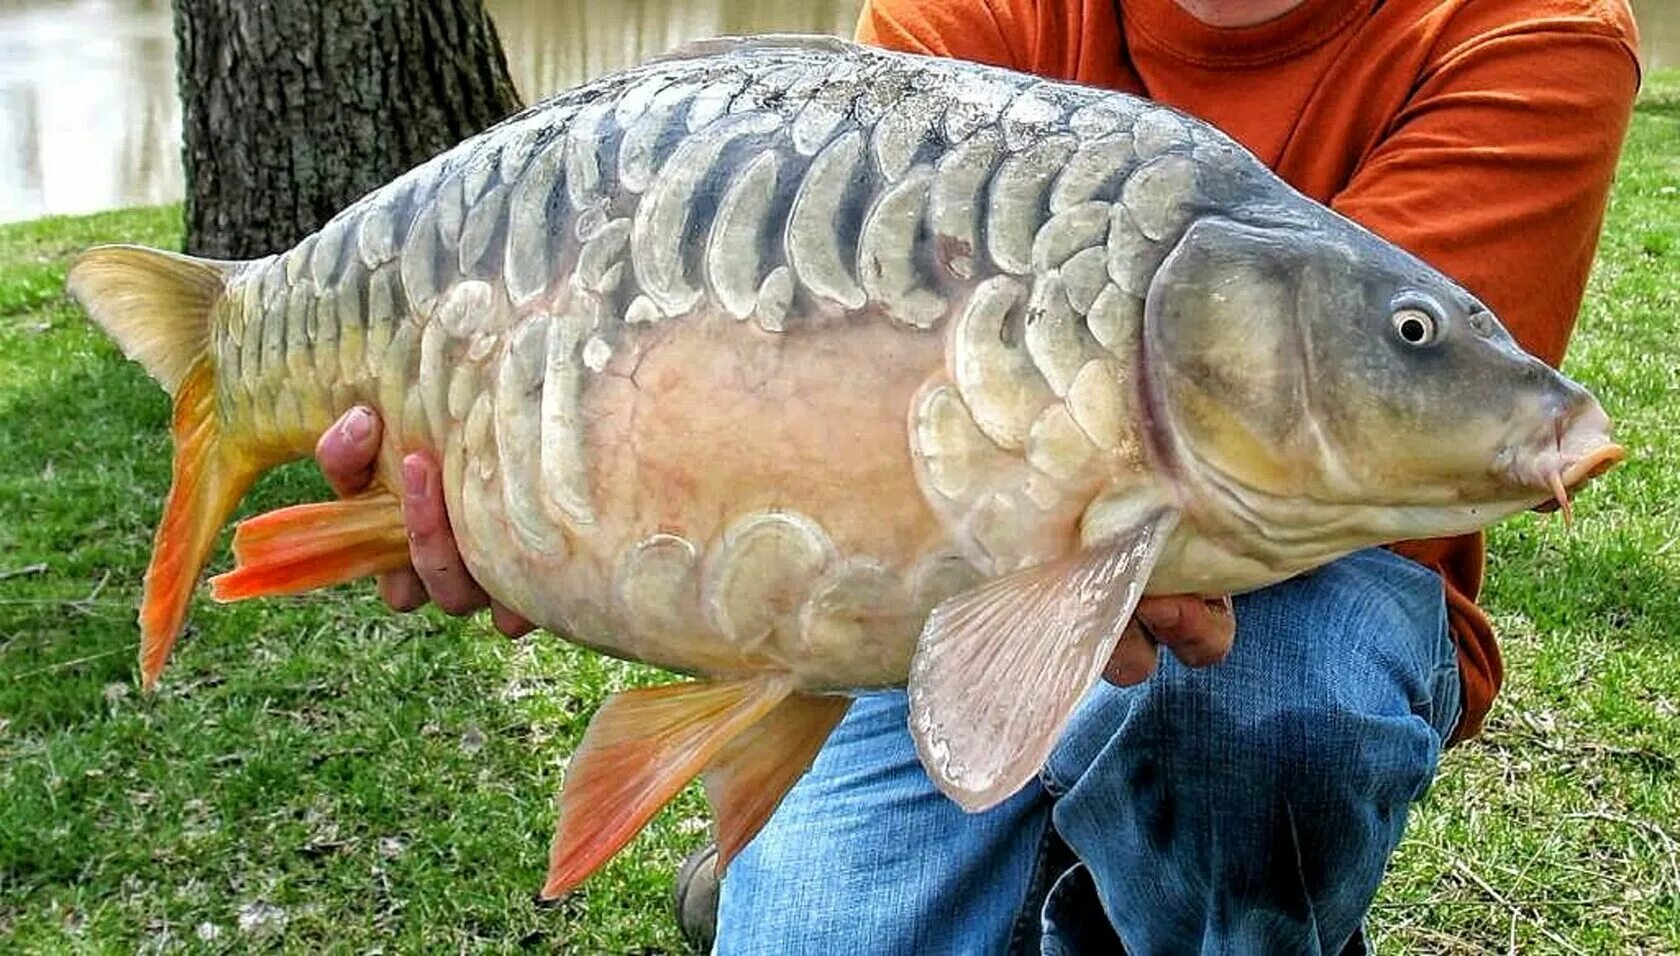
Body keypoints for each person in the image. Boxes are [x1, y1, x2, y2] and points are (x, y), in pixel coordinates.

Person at [314, 0, 1641, 950]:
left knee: (1255, 721)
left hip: (1309, 587)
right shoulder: (979, 12)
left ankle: (1177, 889)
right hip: (936, 583)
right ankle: (816, 856)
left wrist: (1115, 534)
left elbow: (1339, 441)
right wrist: (558, 514)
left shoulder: (1522, 29)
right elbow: (792, 347)